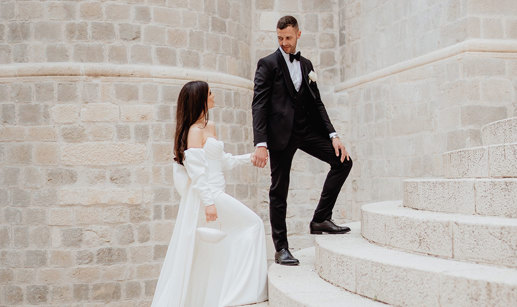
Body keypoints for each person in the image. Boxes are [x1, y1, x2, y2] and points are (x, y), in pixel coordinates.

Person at [151, 81, 267, 307]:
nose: (214, 95)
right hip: (210, 195)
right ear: (201, 99)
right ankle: (243, 292)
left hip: (217, 191)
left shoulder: (209, 126)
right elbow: (197, 173)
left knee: (215, 248)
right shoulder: (194, 132)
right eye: (210, 93)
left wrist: (249, 158)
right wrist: (209, 202)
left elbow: (222, 161)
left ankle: (222, 294)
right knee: (253, 224)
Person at [251, 16, 353, 266]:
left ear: (298, 34)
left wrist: (333, 135)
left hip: (307, 131)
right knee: (279, 190)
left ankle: (320, 219)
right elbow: (259, 104)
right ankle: (281, 248)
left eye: (288, 37)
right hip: (280, 136)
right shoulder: (267, 64)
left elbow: (317, 102)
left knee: (343, 162)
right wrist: (260, 143)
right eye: (280, 38)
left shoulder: (306, 64)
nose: (284, 43)